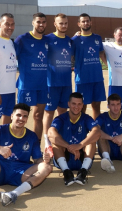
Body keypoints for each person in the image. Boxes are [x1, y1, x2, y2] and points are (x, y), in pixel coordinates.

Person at [0, 103, 52, 207]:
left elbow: (37, 160)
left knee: (47, 167)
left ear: (27, 119)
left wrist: (45, 160)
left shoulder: (32, 136)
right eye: (18, 115)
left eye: (25, 116)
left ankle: (13, 194)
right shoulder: (0, 130)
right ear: (12, 116)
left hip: (20, 173)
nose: (21, 118)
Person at [48, 92, 100, 186]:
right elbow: (50, 133)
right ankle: (66, 172)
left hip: (81, 157)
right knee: (55, 141)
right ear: (68, 104)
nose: (77, 106)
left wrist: (80, 145)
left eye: (79, 104)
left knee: (91, 139)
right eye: (74, 104)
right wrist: (69, 147)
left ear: (83, 105)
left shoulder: (86, 118)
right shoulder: (61, 118)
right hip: (65, 156)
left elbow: (97, 132)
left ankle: (83, 171)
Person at [14, 13, 48, 142]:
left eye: (43, 22)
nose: (41, 24)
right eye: (38, 22)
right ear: (33, 23)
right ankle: (16, 145)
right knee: (20, 117)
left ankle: (36, 147)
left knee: (38, 116)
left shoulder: (47, 40)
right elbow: (11, 58)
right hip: (26, 85)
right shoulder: (22, 39)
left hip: (43, 85)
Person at [42, 13, 73, 147]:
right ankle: (47, 143)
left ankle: (60, 138)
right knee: (49, 113)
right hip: (51, 83)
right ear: (55, 24)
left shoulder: (69, 41)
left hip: (66, 83)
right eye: (61, 23)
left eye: (66, 23)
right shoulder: (47, 39)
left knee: (63, 112)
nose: (64, 26)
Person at [71, 13, 106, 120]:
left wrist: (111, 68)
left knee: (96, 107)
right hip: (82, 79)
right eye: (83, 21)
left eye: (87, 21)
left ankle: (96, 131)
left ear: (91, 22)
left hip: (97, 78)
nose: (86, 23)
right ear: (79, 24)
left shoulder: (97, 38)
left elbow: (101, 54)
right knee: (81, 107)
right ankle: (80, 131)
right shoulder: (75, 40)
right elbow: (70, 57)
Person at [96, 94, 122, 173]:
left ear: (121, 105)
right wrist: (111, 138)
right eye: (112, 105)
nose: (116, 107)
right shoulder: (102, 117)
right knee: (99, 134)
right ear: (108, 106)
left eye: (118, 104)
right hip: (108, 148)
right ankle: (107, 161)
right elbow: (95, 130)